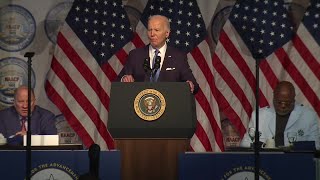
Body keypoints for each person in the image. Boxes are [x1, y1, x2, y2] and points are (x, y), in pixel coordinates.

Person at [117, 15, 199, 94]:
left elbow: (193, 84)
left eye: (157, 30)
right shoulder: (135, 55)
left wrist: (190, 85)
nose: (152, 34)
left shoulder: (178, 57)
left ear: (167, 33)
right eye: (150, 30)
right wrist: (124, 78)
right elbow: (119, 80)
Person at [240, 81, 320, 149]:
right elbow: (245, 145)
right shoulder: (259, 116)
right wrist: (263, 146)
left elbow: (316, 147)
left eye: (287, 103)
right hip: (266, 162)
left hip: (296, 162)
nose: (283, 106)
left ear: (293, 99)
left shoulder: (308, 116)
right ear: (274, 97)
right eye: (279, 102)